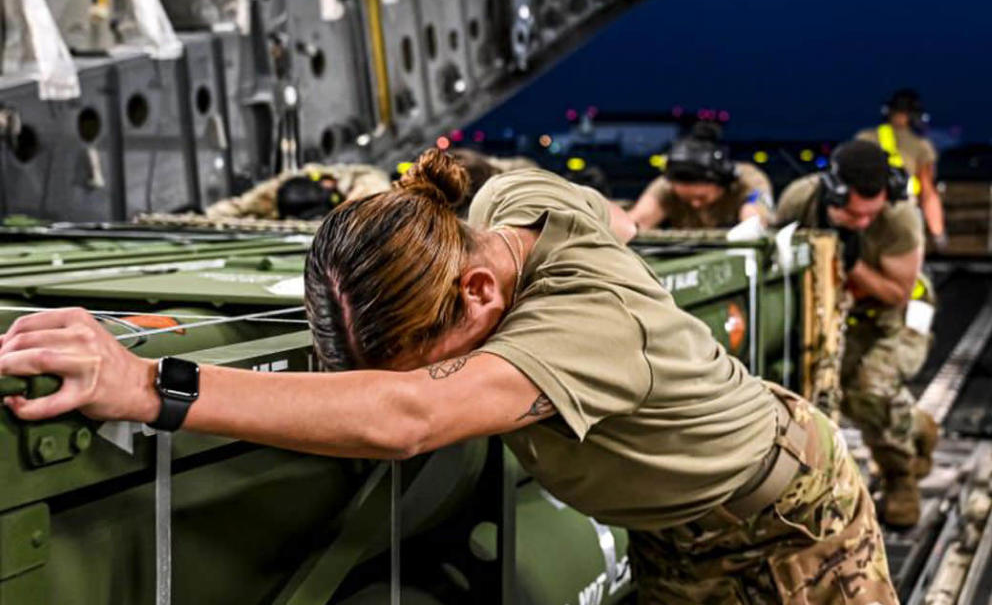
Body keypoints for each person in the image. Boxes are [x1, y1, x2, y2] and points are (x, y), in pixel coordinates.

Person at [0, 151, 897, 604]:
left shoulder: (584, 326)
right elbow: (609, 226)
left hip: (786, 527)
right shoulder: (509, 208)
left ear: (476, 292)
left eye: (435, 354)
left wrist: (148, 385)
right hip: (672, 526)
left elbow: (407, 419)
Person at [776, 140, 939, 528]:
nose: (864, 222)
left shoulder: (900, 217)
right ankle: (915, 425)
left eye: (871, 215)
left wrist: (844, 258)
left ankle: (900, 477)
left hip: (896, 317)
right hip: (834, 312)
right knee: (828, 392)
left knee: (871, 390)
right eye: (854, 214)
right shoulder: (802, 200)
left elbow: (897, 292)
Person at [628, 121, 773, 229]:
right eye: (686, 199)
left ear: (722, 185)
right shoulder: (666, 186)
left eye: (701, 197)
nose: (695, 204)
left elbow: (756, 219)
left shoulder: (747, 180)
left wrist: (751, 220)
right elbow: (639, 220)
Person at [854, 89, 946, 249]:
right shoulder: (921, 146)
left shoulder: (865, 138)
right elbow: (927, 192)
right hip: (902, 217)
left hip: (865, 217)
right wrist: (938, 232)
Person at [206, 164, 390, 220]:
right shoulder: (287, 187)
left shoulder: (370, 183)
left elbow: (370, 207)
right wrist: (206, 216)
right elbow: (241, 206)